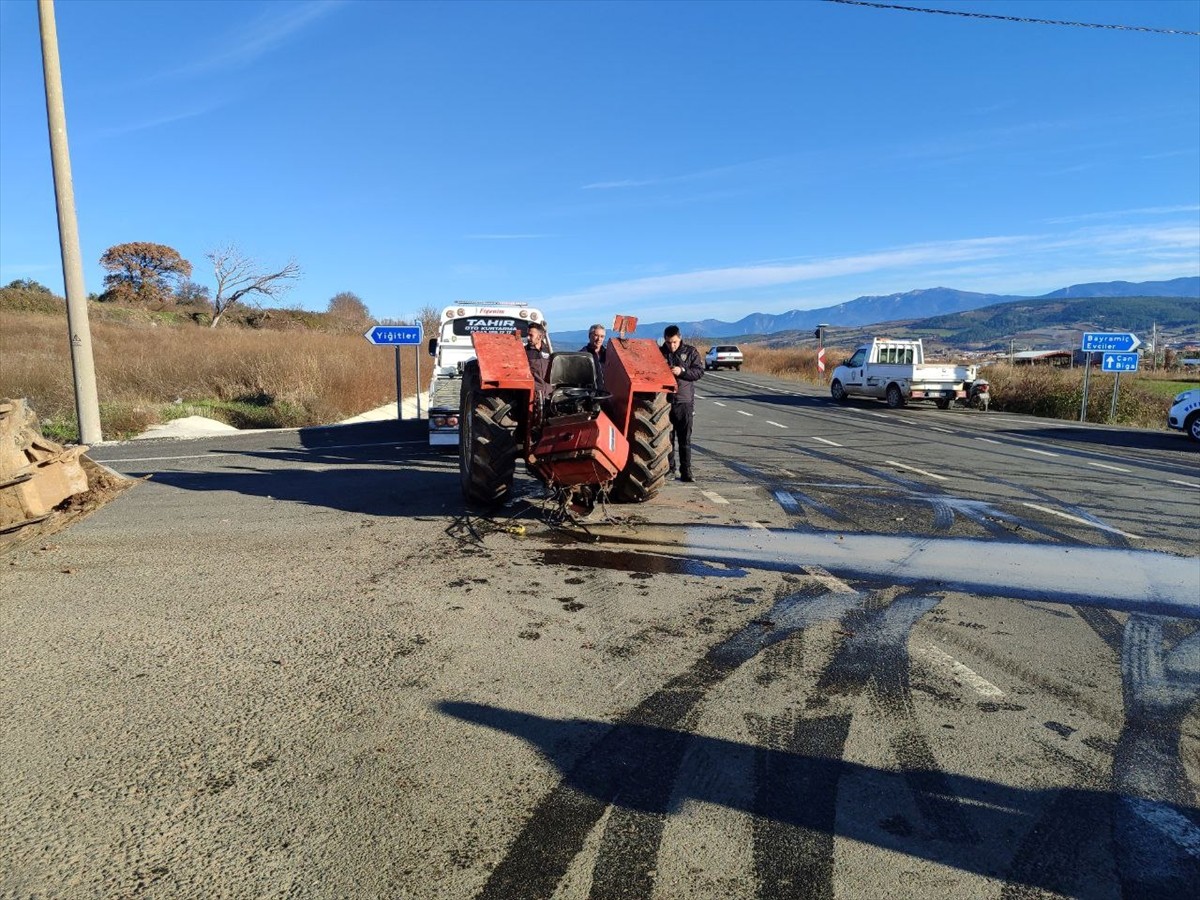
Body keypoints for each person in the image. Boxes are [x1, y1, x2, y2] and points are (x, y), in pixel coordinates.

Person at [660, 325, 703, 482]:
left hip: (684, 401)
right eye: (669, 342)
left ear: (680, 338)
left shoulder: (690, 352)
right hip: (664, 402)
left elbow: (699, 372)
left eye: (675, 342)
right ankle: (669, 469)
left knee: (684, 439)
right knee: (667, 438)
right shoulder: (660, 353)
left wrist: (682, 371)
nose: (672, 346)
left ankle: (686, 471)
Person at [524, 321, 551, 396]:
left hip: (549, 394)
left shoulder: (549, 351)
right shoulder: (524, 352)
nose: (528, 338)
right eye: (527, 335)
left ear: (539, 336)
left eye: (531, 335)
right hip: (532, 394)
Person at [580, 323, 607, 389]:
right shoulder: (582, 355)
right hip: (589, 394)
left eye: (602, 336)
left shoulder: (608, 354)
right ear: (589, 336)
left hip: (606, 394)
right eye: (596, 335)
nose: (599, 339)